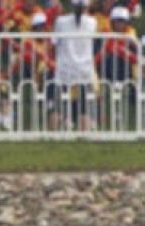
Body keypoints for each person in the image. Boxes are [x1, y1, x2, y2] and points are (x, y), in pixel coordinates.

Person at [51, 0, 97, 130]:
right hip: (84, 68)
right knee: (83, 105)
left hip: (65, 66)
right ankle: (84, 133)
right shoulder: (92, 22)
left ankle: (52, 135)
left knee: (58, 102)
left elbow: (54, 41)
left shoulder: (61, 21)